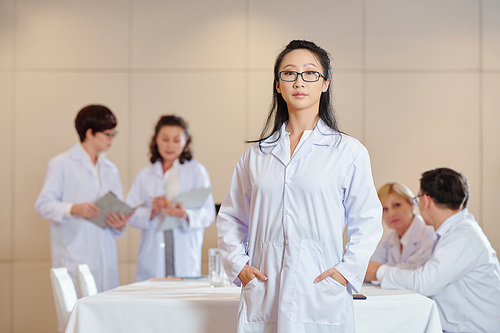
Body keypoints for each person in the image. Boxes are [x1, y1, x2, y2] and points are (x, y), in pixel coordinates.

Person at [216, 40, 383, 333]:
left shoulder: (348, 151)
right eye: (289, 74)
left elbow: (368, 220)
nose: (299, 82)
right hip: (264, 288)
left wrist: (346, 272)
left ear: (325, 83)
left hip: (320, 288)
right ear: (278, 85)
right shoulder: (256, 155)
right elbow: (231, 217)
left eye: (310, 73)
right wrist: (239, 265)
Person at [365, 168, 500, 332]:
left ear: (426, 200)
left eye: (417, 198)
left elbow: (423, 283)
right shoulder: (447, 233)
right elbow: (413, 267)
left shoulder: (463, 237)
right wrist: (375, 271)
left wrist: (379, 272)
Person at [35, 104, 130, 292]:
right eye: (107, 134)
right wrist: (73, 209)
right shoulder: (61, 164)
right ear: (89, 133)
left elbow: (119, 209)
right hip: (74, 255)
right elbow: (43, 205)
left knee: (105, 314)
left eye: (113, 134)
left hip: (106, 256)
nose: (111, 140)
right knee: (76, 316)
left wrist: (120, 224)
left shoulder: (110, 169)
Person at [126, 115, 215, 281]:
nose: (170, 145)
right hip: (152, 258)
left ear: (186, 141)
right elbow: (129, 213)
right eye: (165, 139)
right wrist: (152, 211)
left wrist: (184, 214)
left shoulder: (196, 171)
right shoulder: (145, 175)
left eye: (176, 140)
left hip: (184, 254)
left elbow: (208, 214)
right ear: (156, 140)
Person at [370, 182, 434, 266]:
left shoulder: (429, 233)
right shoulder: (390, 239)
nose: (391, 214)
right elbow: (370, 266)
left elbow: (416, 273)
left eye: (396, 205)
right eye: (385, 209)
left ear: (411, 204)